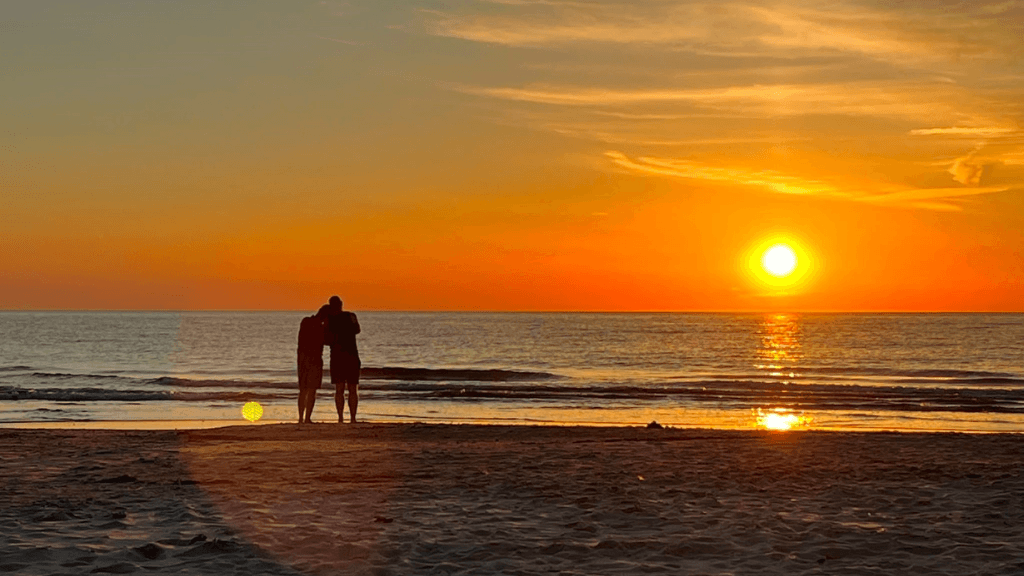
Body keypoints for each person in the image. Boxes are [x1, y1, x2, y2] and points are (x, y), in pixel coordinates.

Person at [325, 295, 361, 423]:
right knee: (352, 389)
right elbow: (357, 330)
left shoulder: (329, 320)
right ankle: (352, 418)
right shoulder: (350, 316)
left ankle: (341, 417)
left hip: (338, 358)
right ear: (341, 304)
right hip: (350, 356)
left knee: (340, 389)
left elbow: (326, 340)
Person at [296, 305, 329, 424]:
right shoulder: (320, 327)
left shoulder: (306, 321)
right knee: (311, 390)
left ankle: (302, 418)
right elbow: (326, 341)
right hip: (313, 359)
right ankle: (306, 418)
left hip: (303, 359)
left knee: (304, 390)